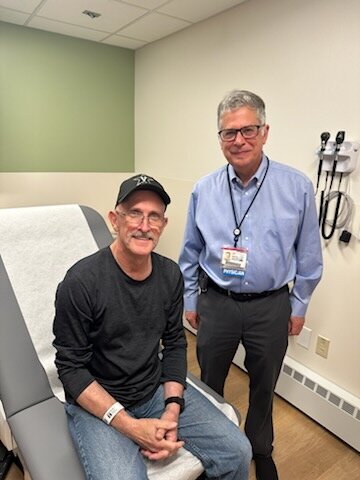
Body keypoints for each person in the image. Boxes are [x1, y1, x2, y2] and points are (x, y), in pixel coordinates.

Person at [53, 173, 252, 480]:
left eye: (154, 216)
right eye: (134, 213)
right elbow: (70, 370)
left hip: (151, 390)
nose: (144, 226)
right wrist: (131, 427)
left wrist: (171, 411)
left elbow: (174, 343)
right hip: (99, 402)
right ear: (114, 220)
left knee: (237, 452)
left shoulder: (170, 275)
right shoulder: (81, 283)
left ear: (164, 225)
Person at [179, 90, 323, 480]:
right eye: (229, 133)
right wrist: (190, 298)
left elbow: (309, 254)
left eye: (248, 130)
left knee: (264, 385)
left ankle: (262, 449)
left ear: (264, 132)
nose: (239, 140)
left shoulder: (296, 187)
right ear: (220, 137)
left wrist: (299, 305)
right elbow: (189, 251)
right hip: (217, 303)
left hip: (270, 306)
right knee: (210, 383)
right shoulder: (204, 189)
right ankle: (214, 449)